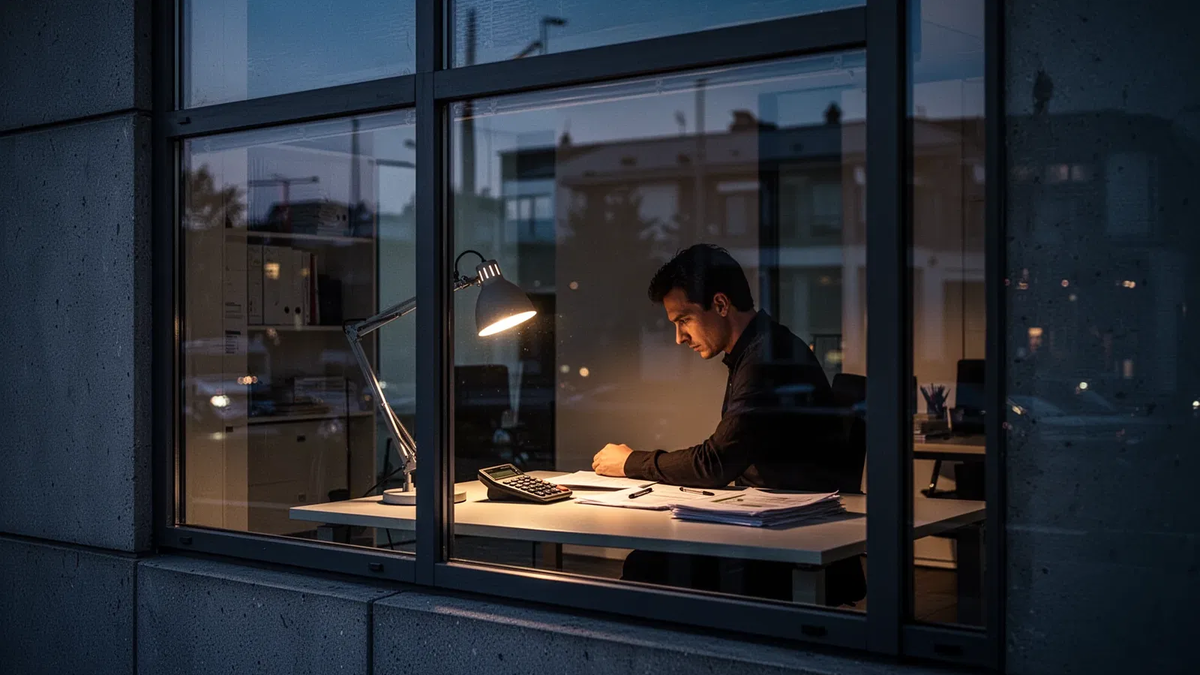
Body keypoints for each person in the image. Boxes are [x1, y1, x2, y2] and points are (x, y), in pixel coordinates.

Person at [590, 243, 865, 605]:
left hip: (788, 538)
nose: (679, 337)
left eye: (683, 320)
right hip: (779, 523)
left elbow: (715, 463)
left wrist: (630, 462)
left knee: (648, 566)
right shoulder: (763, 348)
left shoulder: (766, 359)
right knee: (652, 555)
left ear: (720, 305)